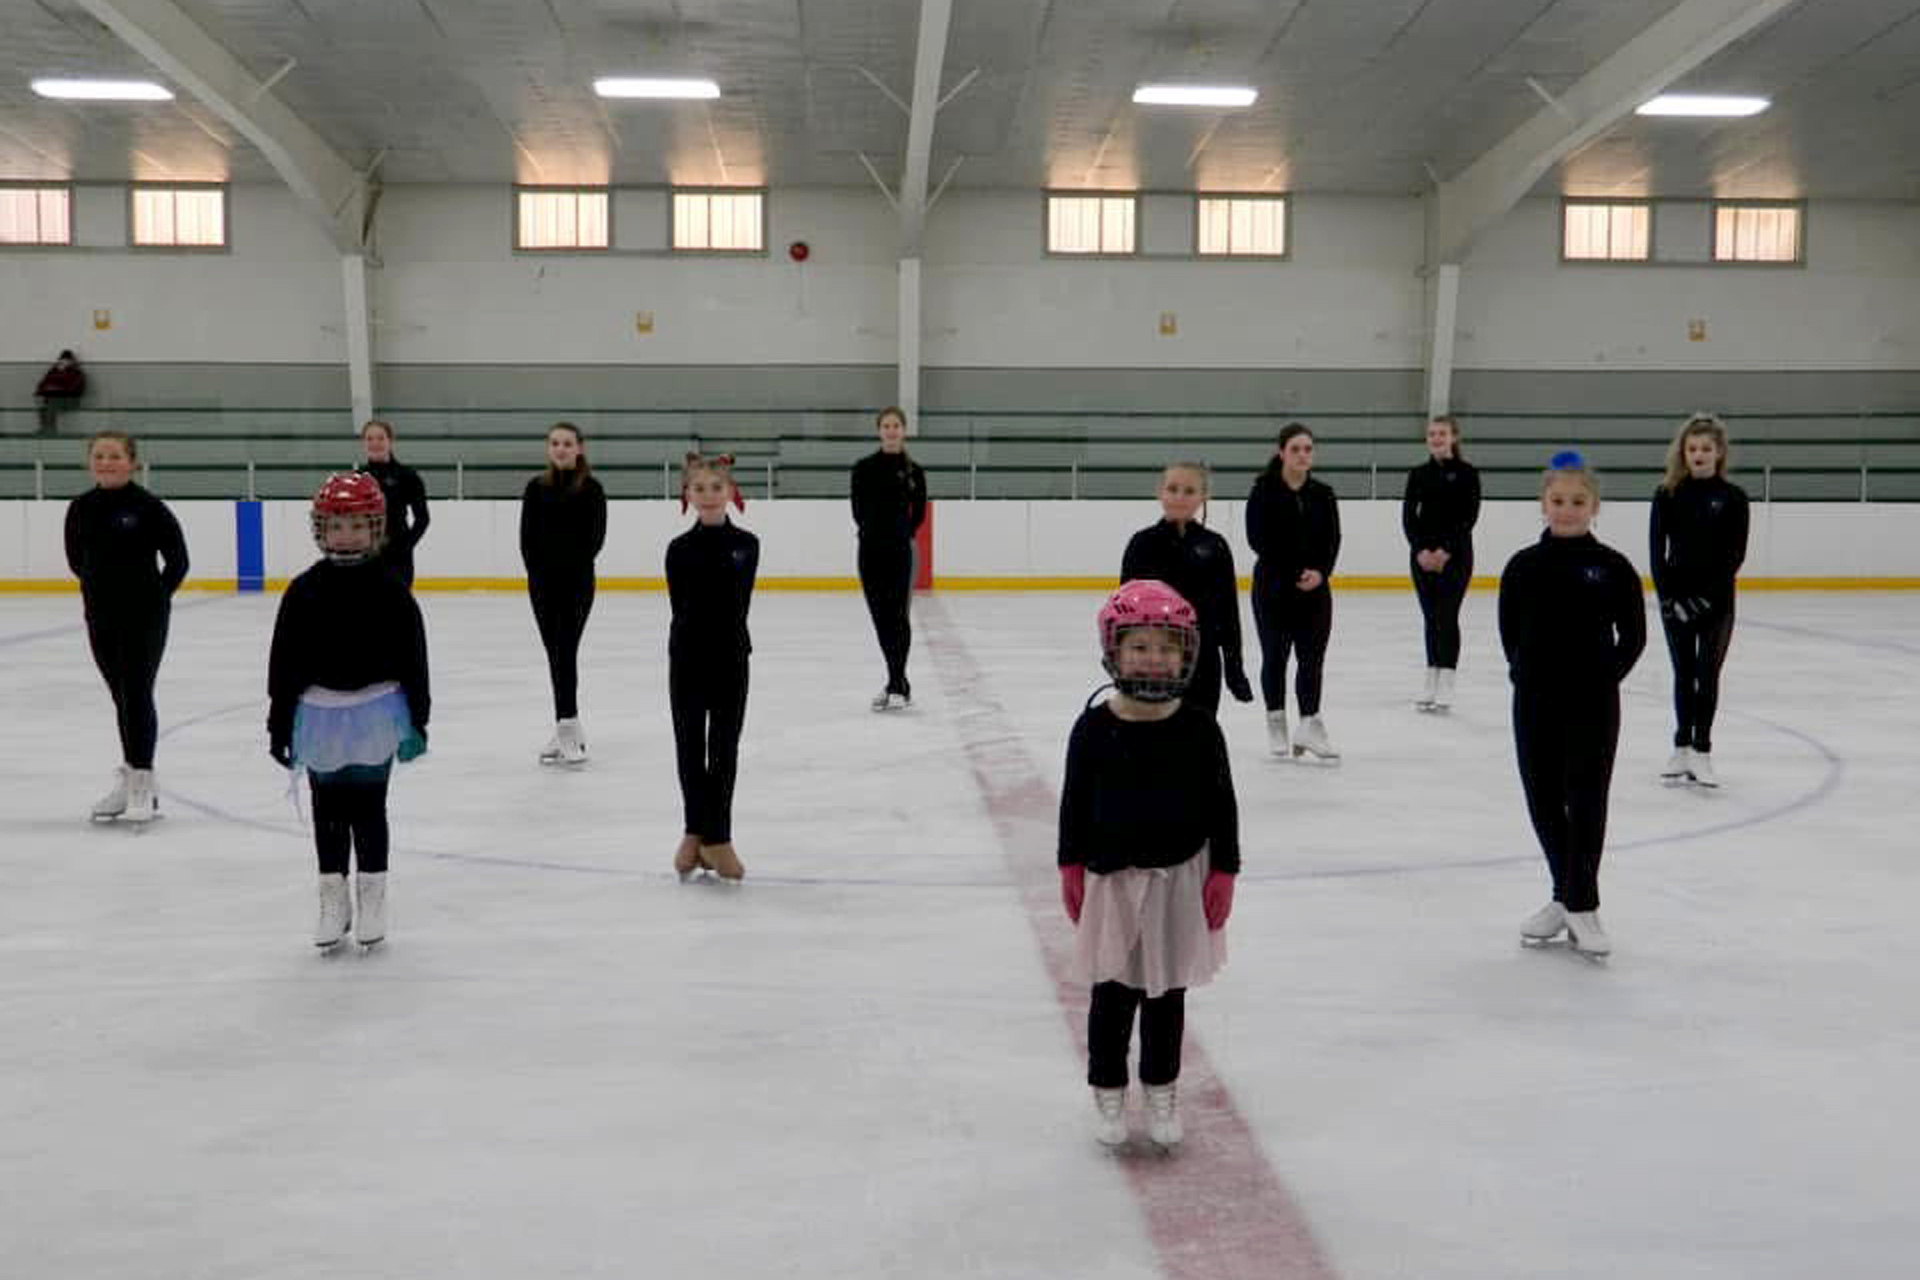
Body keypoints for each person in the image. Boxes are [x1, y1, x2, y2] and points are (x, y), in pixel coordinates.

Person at [1059, 579, 1237, 1151]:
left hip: (1177, 881)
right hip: (1112, 879)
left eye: (1166, 647)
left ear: (1185, 653)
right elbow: (1074, 803)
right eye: (1139, 646)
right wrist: (1070, 864)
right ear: (1114, 650)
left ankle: (1161, 1087)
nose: (1153, 658)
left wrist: (1224, 870)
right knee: (1111, 994)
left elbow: (1221, 805)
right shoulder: (1093, 727)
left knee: (1167, 996)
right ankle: (1107, 1090)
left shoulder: (1199, 727)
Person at [268, 473, 430, 951]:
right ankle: (333, 896)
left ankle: (373, 895)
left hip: (376, 713)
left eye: (358, 525)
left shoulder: (391, 590)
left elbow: (413, 657)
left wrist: (418, 718)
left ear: (376, 527)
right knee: (327, 810)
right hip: (319, 714)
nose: (347, 535)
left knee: (369, 807)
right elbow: (284, 660)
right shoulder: (303, 590)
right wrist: (280, 722)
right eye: (337, 526)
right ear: (321, 529)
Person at [1499, 452, 1645, 958]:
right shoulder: (1522, 566)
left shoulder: (1611, 567)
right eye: (1558, 500)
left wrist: (1604, 679)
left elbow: (1634, 635)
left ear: (1594, 506)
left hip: (1593, 704)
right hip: (1535, 701)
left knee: (1585, 800)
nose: (1567, 510)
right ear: (1543, 504)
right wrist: (1526, 674)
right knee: (1542, 799)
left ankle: (1581, 904)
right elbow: (1510, 631)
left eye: (1578, 501)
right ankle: (1567, 895)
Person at [65, 430, 188, 823]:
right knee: (120, 695)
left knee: (136, 693)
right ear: (90, 462)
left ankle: (142, 780)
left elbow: (178, 560)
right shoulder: (81, 507)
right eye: (99, 456)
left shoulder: (148, 507)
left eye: (114, 455)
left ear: (132, 461)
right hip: (100, 616)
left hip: (145, 618)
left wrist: (156, 598)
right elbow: (76, 560)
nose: (106, 462)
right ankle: (132, 774)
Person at [666, 453, 759, 882]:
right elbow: (682, 608)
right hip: (687, 658)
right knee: (689, 748)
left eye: (715, 488)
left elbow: (734, 605)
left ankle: (717, 838)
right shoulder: (678, 550)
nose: (707, 496)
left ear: (730, 492)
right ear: (687, 494)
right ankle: (694, 832)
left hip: (731, 659)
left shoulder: (747, 545)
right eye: (698, 488)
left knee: (724, 750)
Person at [1650, 414, 1749, 788]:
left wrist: (1704, 600)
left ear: (1719, 452)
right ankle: (1681, 746)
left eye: (1706, 448)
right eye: (1692, 449)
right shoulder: (1667, 494)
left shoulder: (1734, 498)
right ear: (1683, 453)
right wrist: (1668, 599)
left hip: (1717, 600)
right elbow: (1657, 553)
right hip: (1676, 598)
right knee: (1683, 673)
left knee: (1707, 675)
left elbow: (1734, 555)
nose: (1699, 454)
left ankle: (1702, 750)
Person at [1119, 462, 1252, 716]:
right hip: (1155, 660)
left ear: (1204, 497)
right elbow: (1125, 611)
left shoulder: (1215, 546)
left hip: (1204, 661)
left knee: (1199, 736)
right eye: (1172, 489)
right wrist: (1126, 661)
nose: (1180, 497)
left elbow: (1227, 611)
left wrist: (1234, 667)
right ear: (1160, 492)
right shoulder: (1142, 544)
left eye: (1189, 491)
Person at [1245, 422, 1342, 760]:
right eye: (1296, 449)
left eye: (1308, 449)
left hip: (1315, 590)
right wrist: (1292, 572)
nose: (1303, 455)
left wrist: (1321, 572)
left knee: (1312, 658)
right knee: (1275, 655)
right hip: (1273, 586)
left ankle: (1310, 724)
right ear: (1281, 452)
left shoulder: (1323, 493)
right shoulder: (1263, 490)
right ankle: (1276, 721)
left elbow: (1333, 540)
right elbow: (1258, 538)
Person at [520, 422, 607, 765]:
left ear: (579, 449)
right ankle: (566, 725)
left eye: (567, 443)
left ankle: (568, 727)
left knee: (564, 650)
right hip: (541, 584)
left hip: (576, 583)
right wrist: (538, 573)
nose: (560, 449)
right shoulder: (535, 488)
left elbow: (595, 539)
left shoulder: (591, 489)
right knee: (555, 654)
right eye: (555, 443)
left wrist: (565, 568)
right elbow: (526, 538)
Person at [850, 406, 928, 711]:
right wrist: (874, 533)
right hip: (869, 551)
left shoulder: (914, 471)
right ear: (879, 430)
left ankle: (896, 682)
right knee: (880, 617)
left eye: (896, 425)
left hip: (899, 552)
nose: (892, 430)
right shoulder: (863, 467)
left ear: (904, 430)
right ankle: (898, 682)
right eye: (886, 425)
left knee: (898, 617)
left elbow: (919, 513)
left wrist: (900, 533)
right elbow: (857, 509)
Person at [1402, 414, 1481, 711]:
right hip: (1421, 557)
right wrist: (1420, 550)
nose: (1436, 438)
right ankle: (1431, 674)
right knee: (1430, 616)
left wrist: (1445, 551)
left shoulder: (1468, 473)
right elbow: (1409, 517)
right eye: (1432, 434)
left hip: (1456, 555)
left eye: (1442, 434)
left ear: (1454, 438)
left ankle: (1447, 677)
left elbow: (1468, 517)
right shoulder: (1418, 474)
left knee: (1447, 615)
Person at [356, 419, 430, 588]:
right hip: (366, 557)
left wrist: (405, 547)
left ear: (390, 441)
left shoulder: (408, 476)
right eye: (369, 438)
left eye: (380, 438)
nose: (375, 443)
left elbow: (423, 519)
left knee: (397, 612)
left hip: (398, 560)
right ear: (363, 443)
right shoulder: (357, 479)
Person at [36, 349, 86, 434]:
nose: (63, 362)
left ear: (71, 362)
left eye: (66, 360)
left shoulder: (76, 373)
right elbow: (41, 385)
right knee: (43, 408)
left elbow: (73, 389)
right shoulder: (53, 371)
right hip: (52, 399)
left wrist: (57, 387)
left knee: (51, 405)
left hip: (70, 401)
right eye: (62, 360)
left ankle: (50, 430)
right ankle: (45, 428)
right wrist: (49, 388)